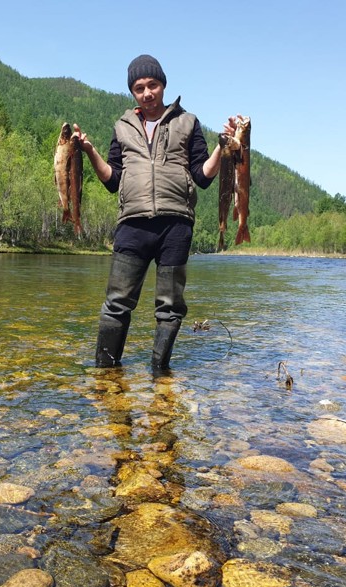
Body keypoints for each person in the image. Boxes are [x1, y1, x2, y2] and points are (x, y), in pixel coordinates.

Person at [75, 54, 239, 372]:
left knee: (170, 307)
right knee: (117, 303)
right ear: (132, 92)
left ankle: (159, 372)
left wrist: (222, 146)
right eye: (139, 88)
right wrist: (89, 151)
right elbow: (113, 180)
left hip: (176, 226)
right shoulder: (122, 128)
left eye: (153, 85)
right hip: (132, 226)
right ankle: (106, 372)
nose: (147, 93)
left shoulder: (187, 122)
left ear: (163, 85)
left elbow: (203, 176)